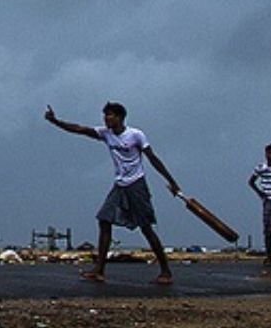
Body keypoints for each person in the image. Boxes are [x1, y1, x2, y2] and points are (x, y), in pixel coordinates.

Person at [45, 102, 180, 285]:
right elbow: (79, 129)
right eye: (105, 115)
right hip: (120, 186)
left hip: (136, 185)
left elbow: (153, 159)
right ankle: (99, 270)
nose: (106, 118)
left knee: (146, 228)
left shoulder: (135, 135)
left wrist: (172, 182)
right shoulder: (105, 134)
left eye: (110, 115)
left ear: (120, 117)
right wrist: (55, 121)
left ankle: (166, 271)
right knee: (104, 219)